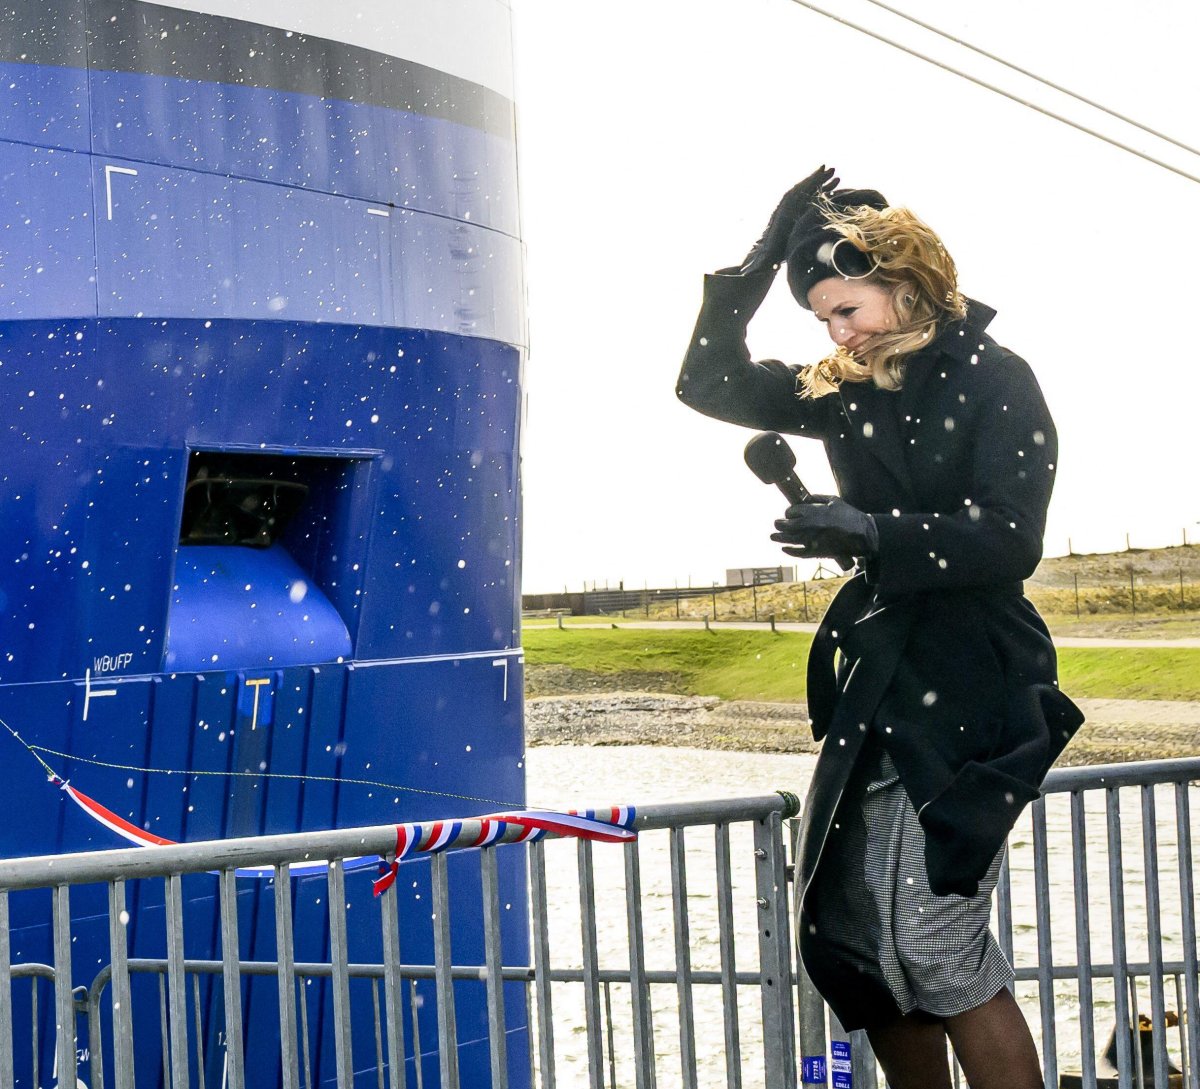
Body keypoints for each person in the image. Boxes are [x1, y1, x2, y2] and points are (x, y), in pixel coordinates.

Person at [676, 166, 1083, 1089]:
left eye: (847, 308)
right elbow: (708, 382)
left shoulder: (997, 377)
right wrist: (747, 272)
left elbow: (1011, 540)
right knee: (860, 940)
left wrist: (867, 532)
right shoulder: (844, 385)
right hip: (881, 675)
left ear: (904, 282)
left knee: (935, 940)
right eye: (821, 318)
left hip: (976, 676)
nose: (836, 332)